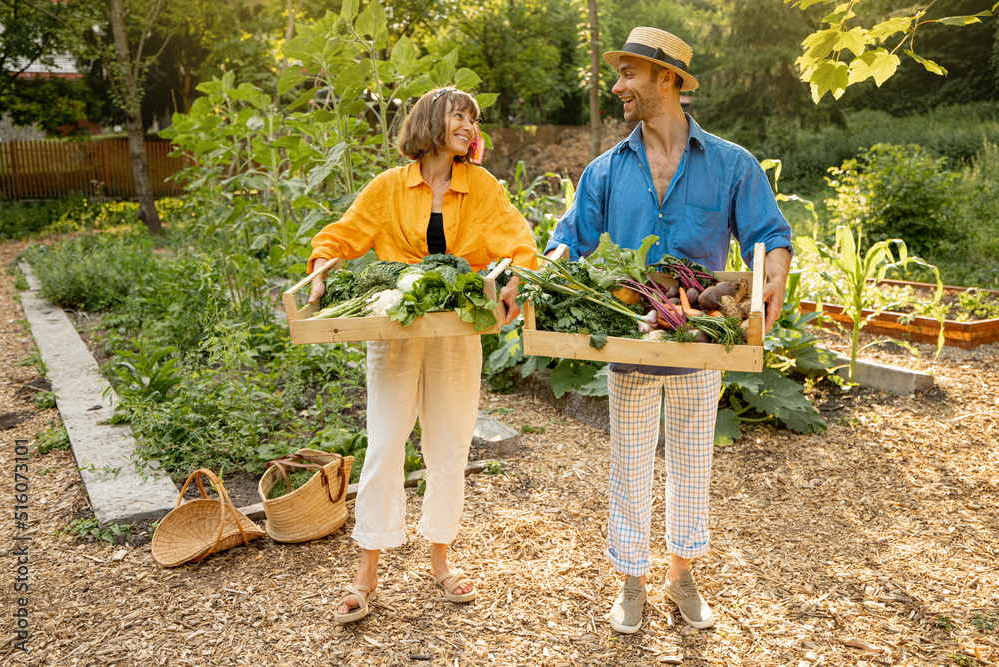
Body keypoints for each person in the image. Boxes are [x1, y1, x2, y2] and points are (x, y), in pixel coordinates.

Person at [546, 27, 793, 633]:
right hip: (630, 338)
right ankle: (631, 580)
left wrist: (773, 276)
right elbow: (567, 242)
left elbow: (771, 234)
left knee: (690, 467)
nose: (617, 84)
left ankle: (681, 575)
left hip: (698, 341)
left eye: (629, 73)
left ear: (668, 81)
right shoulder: (605, 172)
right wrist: (543, 274)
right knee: (628, 465)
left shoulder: (732, 165)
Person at [307, 87, 538, 624]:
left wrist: (514, 281)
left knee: (449, 446)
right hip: (395, 330)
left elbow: (520, 245)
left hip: (458, 330)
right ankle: (367, 572)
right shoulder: (388, 188)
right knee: (385, 445)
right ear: (434, 121)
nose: (470, 126)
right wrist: (321, 266)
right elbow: (342, 236)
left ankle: (441, 559)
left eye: (474, 120)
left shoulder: (481, 187)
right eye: (460, 116)